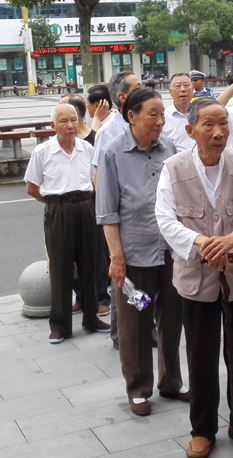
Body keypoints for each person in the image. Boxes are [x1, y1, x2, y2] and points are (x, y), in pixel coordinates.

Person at [155, 98, 233, 458]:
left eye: (223, 124)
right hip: (196, 277)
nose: (219, 132)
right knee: (201, 356)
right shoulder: (173, 168)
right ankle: (203, 429)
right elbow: (165, 219)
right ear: (190, 131)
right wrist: (203, 243)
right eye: (209, 125)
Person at [96, 88, 188, 417]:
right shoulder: (112, 153)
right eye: (153, 114)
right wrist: (116, 258)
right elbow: (107, 212)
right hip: (134, 258)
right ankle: (138, 388)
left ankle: (171, 381)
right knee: (136, 322)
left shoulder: (170, 149)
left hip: (170, 252)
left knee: (171, 319)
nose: (160, 121)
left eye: (162, 114)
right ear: (131, 116)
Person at [24, 104, 110, 344]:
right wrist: (55, 204)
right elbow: (31, 188)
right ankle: (60, 325)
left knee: (89, 264)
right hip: (58, 210)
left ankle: (91, 317)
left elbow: (94, 180)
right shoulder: (42, 152)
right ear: (53, 126)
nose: (71, 125)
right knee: (60, 268)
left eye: (74, 120)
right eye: (64, 121)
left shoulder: (87, 148)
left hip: (85, 206)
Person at [92, 71, 142, 351]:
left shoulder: (145, 123)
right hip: (121, 219)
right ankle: (120, 332)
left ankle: (146, 327)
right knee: (122, 277)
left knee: (142, 280)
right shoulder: (109, 131)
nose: (144, 89)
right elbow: (98, 178)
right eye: (138, 86)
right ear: (123, 97)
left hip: (146, 220)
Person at [59, 95, 111, 317]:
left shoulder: (93, 139)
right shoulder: (59, 142)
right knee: (72, 254)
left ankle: (101, 297)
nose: (65, 122)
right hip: (66, 208)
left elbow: (100, 174)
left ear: (77, 114)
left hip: (92, 204)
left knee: (96, 253)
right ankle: (80, 297)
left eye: (67, 115)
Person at [93, 72, 142, 171]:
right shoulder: (107, 132)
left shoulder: (153, 123)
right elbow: (99, 172)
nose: (144, 92)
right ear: (122, 97)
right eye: (138, 88)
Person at [163, 73, 195, 152]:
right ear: (170, 92)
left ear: (192, 89)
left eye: (186, 85)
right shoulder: (163, 118)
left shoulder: (201, 113)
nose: (183, 89)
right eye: (178, 86)